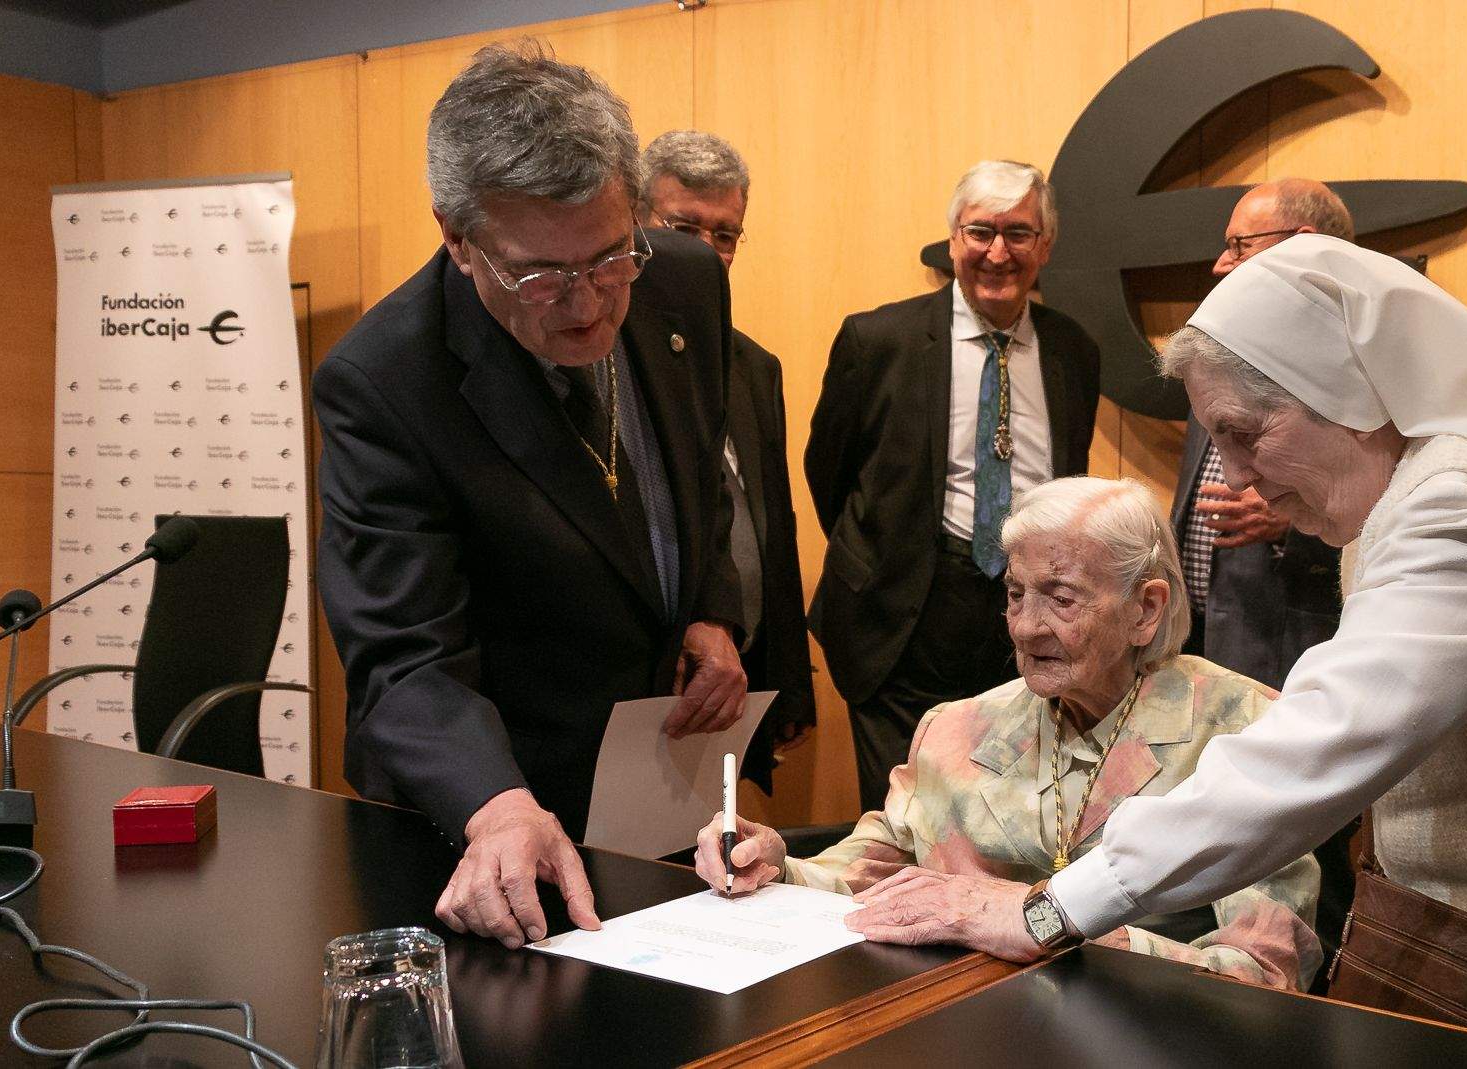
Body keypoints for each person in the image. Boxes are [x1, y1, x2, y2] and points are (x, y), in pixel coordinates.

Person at [841, 236, 1467, 1055]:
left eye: (1246, 436)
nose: (1233, 473)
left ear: (1350, 397)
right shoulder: (1422, 480)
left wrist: (1050, 907)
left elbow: (1315, 751)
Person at [313, 43, 747, 951]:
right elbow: (402, 654)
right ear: (456, 236)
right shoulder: (386, 381)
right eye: (539, 275)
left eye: (607, 257)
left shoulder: (684, 281)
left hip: (655, 787)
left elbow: (697, 472)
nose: (587, 304)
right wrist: (496, 803)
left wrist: (707, 609)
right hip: (487, 829)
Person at [699, 477, 1322, 989]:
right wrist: (776, 865)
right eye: (1016, 594)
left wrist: (1046, 926)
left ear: (1146, 609)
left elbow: (1265, 974)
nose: (1026, 628)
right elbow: (873, 872)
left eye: (1062, 599)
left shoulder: (1243, 732)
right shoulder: (956, 728)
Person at [806, 160, 1101, 812]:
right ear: (953, 239)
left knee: (1011, 818)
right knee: (903, 826)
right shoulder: (879, 339)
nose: (998, 253)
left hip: (1028, 617)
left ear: (1045, 246)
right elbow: (830, 471)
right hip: (902, 621)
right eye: (981, 232)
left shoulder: (1072, 350)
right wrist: (882, 553)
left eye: (1019, 234)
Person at [1176, 178, 1354, 980]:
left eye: (1241, 246)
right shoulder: (1222, 349)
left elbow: (1379, 522)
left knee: (1316, 867)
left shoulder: (1356, 363)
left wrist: (1299, 523)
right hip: (1214, 653)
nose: (1221, 264)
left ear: (1305, 245)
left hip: (1301, 655)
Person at [640, 130, 816, 790]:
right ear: (633, 220)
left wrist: (790, 678)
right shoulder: (601, 358)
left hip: (738, 668)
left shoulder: (752, 364)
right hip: (651, 673)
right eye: (684, 228)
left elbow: (774, 525)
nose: (706, 254)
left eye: (726, 235)